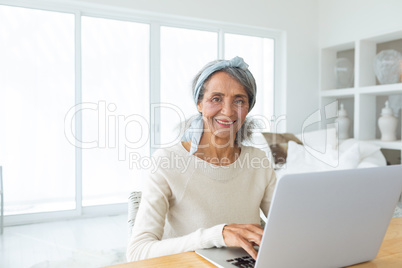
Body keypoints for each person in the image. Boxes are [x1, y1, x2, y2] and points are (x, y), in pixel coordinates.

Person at [126, 56, 277, 262]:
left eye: (239, 100)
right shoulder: (167, 161)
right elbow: (138, 252)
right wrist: (217, 235)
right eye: (216, 98)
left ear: (248, 108)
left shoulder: (258, 161)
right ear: (199, 103)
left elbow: (287, 225)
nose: (227, 111)